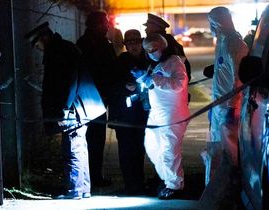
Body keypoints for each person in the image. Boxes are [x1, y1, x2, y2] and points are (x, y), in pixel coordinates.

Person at [24, 21, 106, 199]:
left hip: (75, 109)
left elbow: (69, 81)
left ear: (44, 38)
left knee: (72, 148)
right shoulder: (63, 48)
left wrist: (64, 108)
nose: (38, 48)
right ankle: (83, 188)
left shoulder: (58, 52)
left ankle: (75, 190)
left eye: (37, 44)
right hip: (80, 106)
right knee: (79, 147)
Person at [199, 6, 249, 209]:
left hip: (228, 109)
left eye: (213, 22)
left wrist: (231, 107)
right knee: (215, 151)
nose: (211, 26)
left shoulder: (234, 44)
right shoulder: (223, 41)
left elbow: (238, 79)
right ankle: (213, 192)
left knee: (225, 155)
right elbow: (225, 73)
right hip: (219, 107)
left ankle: (221, 197)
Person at [133, 33, 190, 200]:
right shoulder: (159, 63)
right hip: (158, 113)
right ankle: (168, 180)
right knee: (152, 147)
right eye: (147, 50)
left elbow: (178, 84)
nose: (150, 52)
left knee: (169, 150)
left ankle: (175, 185)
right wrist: (144, 80)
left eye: (153, 49)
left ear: (163, 47)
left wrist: (152, 80)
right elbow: (155, 83)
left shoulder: (174, 62)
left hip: (172, 115)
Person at [76, 11, 117, 188]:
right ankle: (95, 176)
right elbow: (109, 70)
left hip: (84, 98)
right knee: (96, 139)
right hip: (97, 98)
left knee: (87, 139)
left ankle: (89, 177)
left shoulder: (82, 43)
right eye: (105, 23)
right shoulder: (101, 44)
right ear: (96, 24)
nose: (107, 26)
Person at [107, 29, 150, 195]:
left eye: (137, 42)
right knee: (126, 150)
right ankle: (130, 184)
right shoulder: (120, 62)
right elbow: (110, 86)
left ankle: (139, 182)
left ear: (141, 43)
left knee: (139, 149)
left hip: (142, 114)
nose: (134, 46)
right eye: (130, 43)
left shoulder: (147, 60)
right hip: (123, 116)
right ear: (126, 45)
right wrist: (124, 87)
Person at [143, 13, 191, 82]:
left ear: (155, 28)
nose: (146, 30)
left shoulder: (168, 42)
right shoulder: (152, 42)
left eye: (148, 27)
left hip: (168, 84)